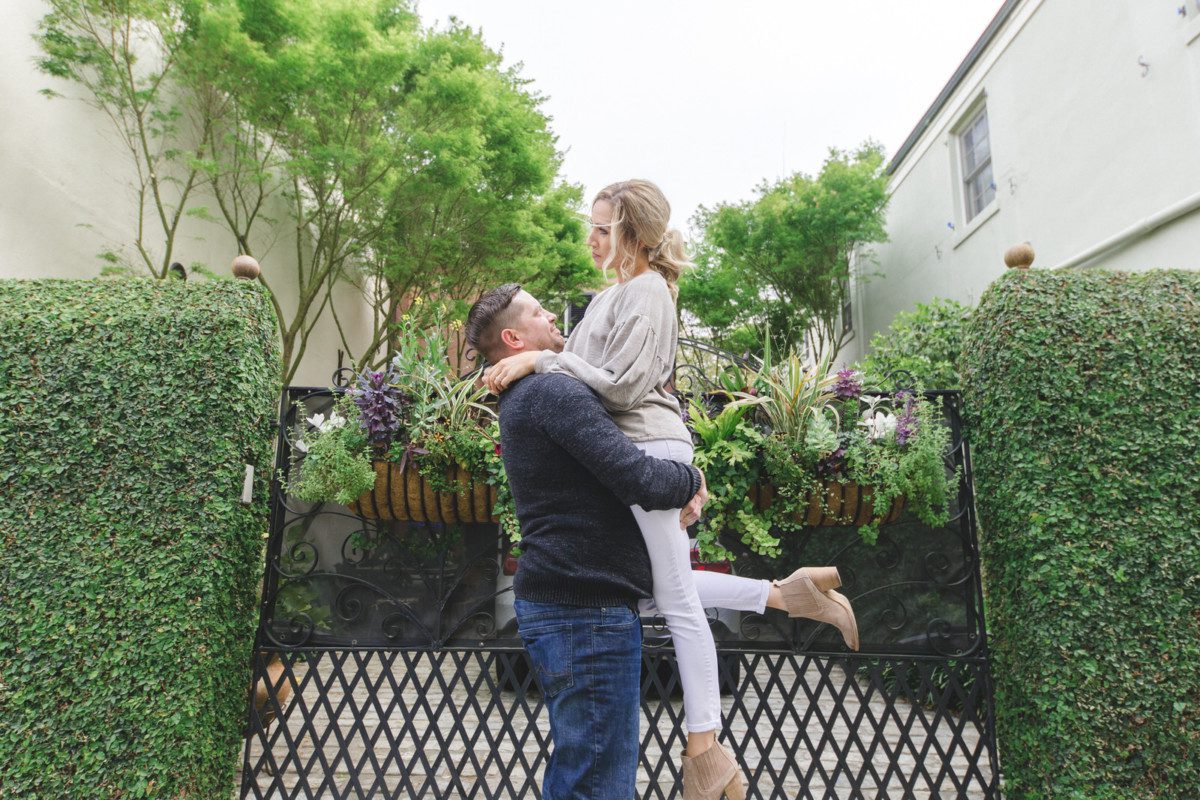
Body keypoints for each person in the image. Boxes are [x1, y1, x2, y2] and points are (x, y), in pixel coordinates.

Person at [481, 181, 859, 800]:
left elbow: (624, 388)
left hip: (651, 445)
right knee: (660, 587)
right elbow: (589, 382)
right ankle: (787, 595)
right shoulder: (615, 295)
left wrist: (540, 362)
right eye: (593, 225)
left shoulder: (650, 289)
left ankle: (705, 752)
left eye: (603, 227)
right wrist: (543, 361)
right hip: (640, 446)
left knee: (677, 600)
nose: (592, 238)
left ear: (631, 232)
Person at [465, 284, 707, 799]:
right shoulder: (552, 392)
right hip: (585, 614)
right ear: (513, 336)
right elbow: (635, 477)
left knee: (585, 769)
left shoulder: (530, 393)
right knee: (595, 782)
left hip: (570, 608)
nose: (552, 314)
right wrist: (691, 479)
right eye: (537, 311)